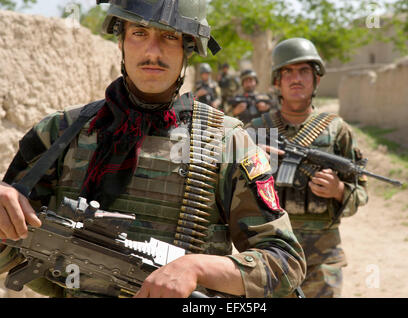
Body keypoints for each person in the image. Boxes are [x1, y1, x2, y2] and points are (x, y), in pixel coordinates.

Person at [0, 0, 305, 298]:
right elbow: (11, 252)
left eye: (170, 37)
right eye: (139, 33)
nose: (152, 51)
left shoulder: (226, 142)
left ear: (188, 47)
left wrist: (196, 268)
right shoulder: (60, 133)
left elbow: (284, 263)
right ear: (121, 41)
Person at [246, 37, 368, 298]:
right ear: (277, 81)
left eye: (304, 71)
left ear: (317, 79)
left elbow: (361, 194)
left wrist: (338, 190)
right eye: (287, 72)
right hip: (269, 258)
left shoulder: (337, 130)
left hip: (322, 261)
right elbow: (228, 192)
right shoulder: (256, 131)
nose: (296, 79)